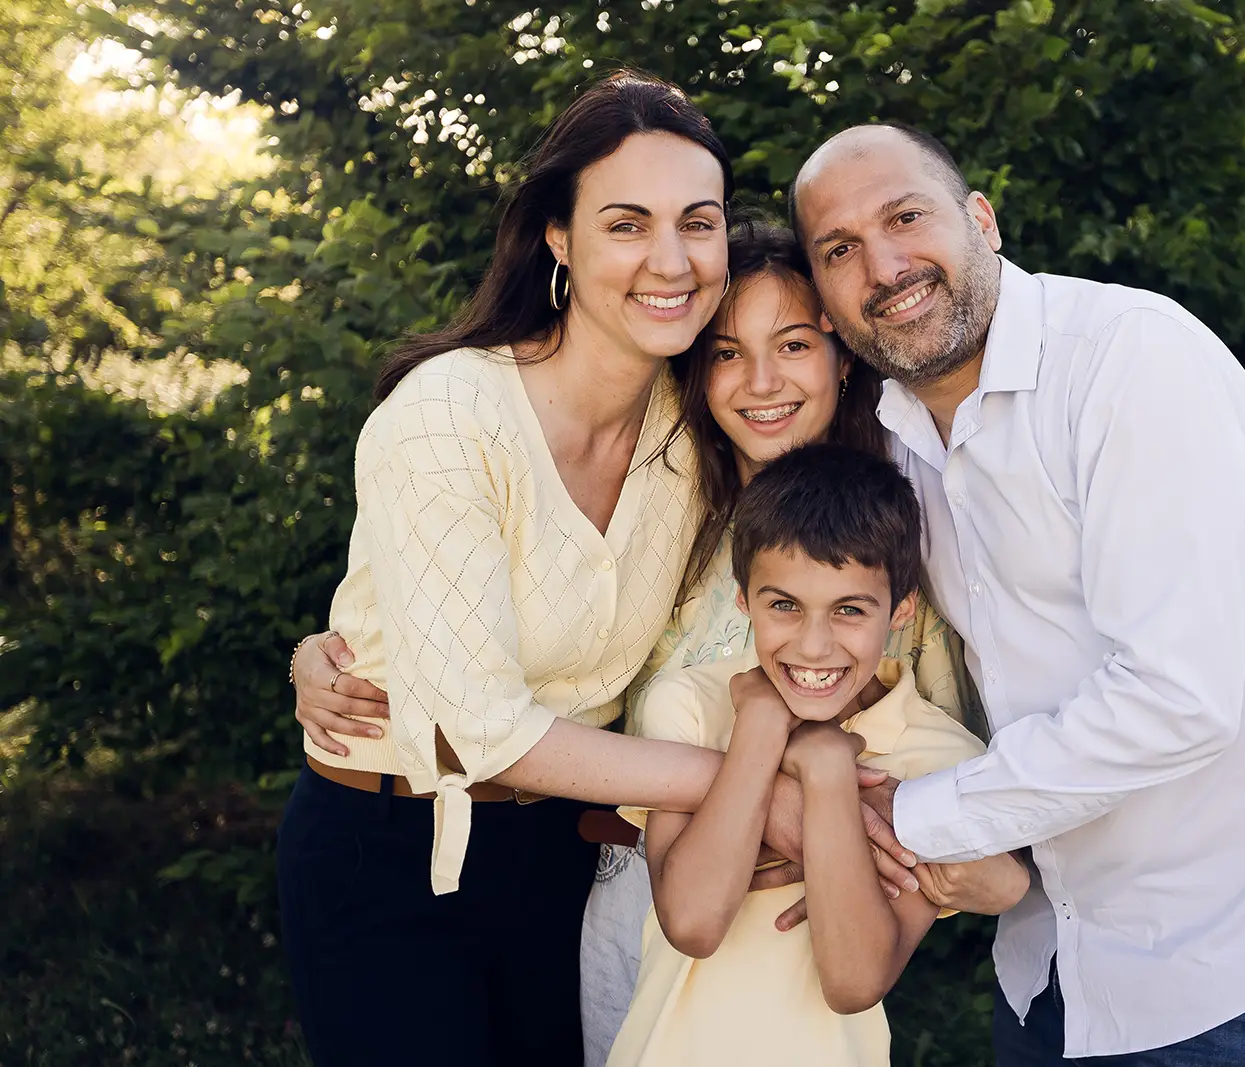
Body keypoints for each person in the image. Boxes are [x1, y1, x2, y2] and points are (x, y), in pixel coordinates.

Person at [274, 74, 903, 1067]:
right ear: (558, 238)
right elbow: (478, 726)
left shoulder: (696, 423)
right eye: (626, 223)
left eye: (696, 223)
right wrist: (756, 789)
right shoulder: (448, 413)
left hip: (562, 855)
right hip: (391, 847)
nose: (670, 259)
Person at [780, 123, 1245, 1065]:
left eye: (905, 217)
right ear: (828, 305)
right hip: (1053, 951)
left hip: (1233, 948)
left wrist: (906, 818)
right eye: (840, 250)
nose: (883, 266)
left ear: (982, 222)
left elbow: (1178, 696)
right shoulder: (893, 436)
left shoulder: (1130, 358)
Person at [605, 443, 1029, 1067]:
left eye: (849, 610)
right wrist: (760, 727)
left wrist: (828, 767)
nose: (812, 645)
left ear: (901, 609)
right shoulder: (690, 706)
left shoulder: (946, 760)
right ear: (745, 599)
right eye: (784, 606)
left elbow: (855, 981)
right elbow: (692, 922)